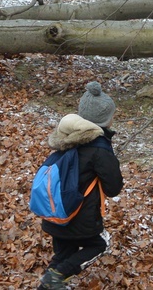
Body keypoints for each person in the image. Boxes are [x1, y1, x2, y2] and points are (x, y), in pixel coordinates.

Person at [38, 81, 124, 290]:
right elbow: (114, 188)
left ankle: (49, 284)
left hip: (54, 211)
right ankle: (57, 276)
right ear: (105, 120)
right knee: (99, 245)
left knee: (64, 253)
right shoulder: (99, 149)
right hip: (79, 216)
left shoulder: (65, 138)